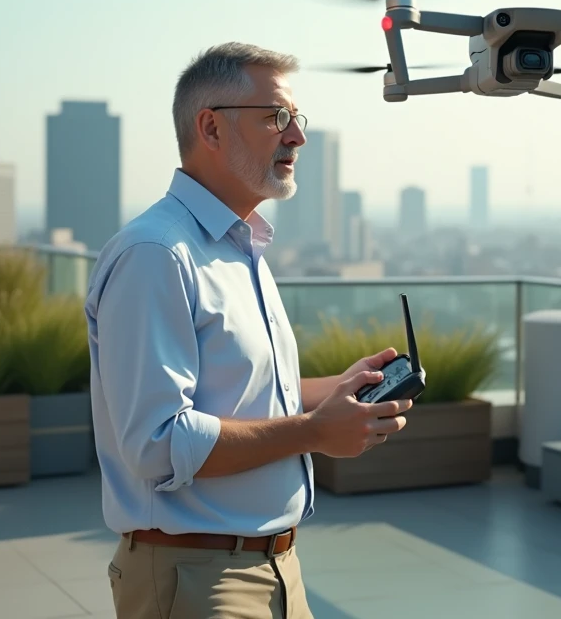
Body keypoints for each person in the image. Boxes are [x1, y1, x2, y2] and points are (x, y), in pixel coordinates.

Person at [85, 42, 412, 619]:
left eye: (295, 120)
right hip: (197, 581)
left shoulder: (240, 248)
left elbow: (243, 394)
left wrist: (337, 391)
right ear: (210, 127)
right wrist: (315, 431)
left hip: (275, 568)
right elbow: (159, 445)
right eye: (275, 118)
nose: (296, 137)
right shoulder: (156, 254)